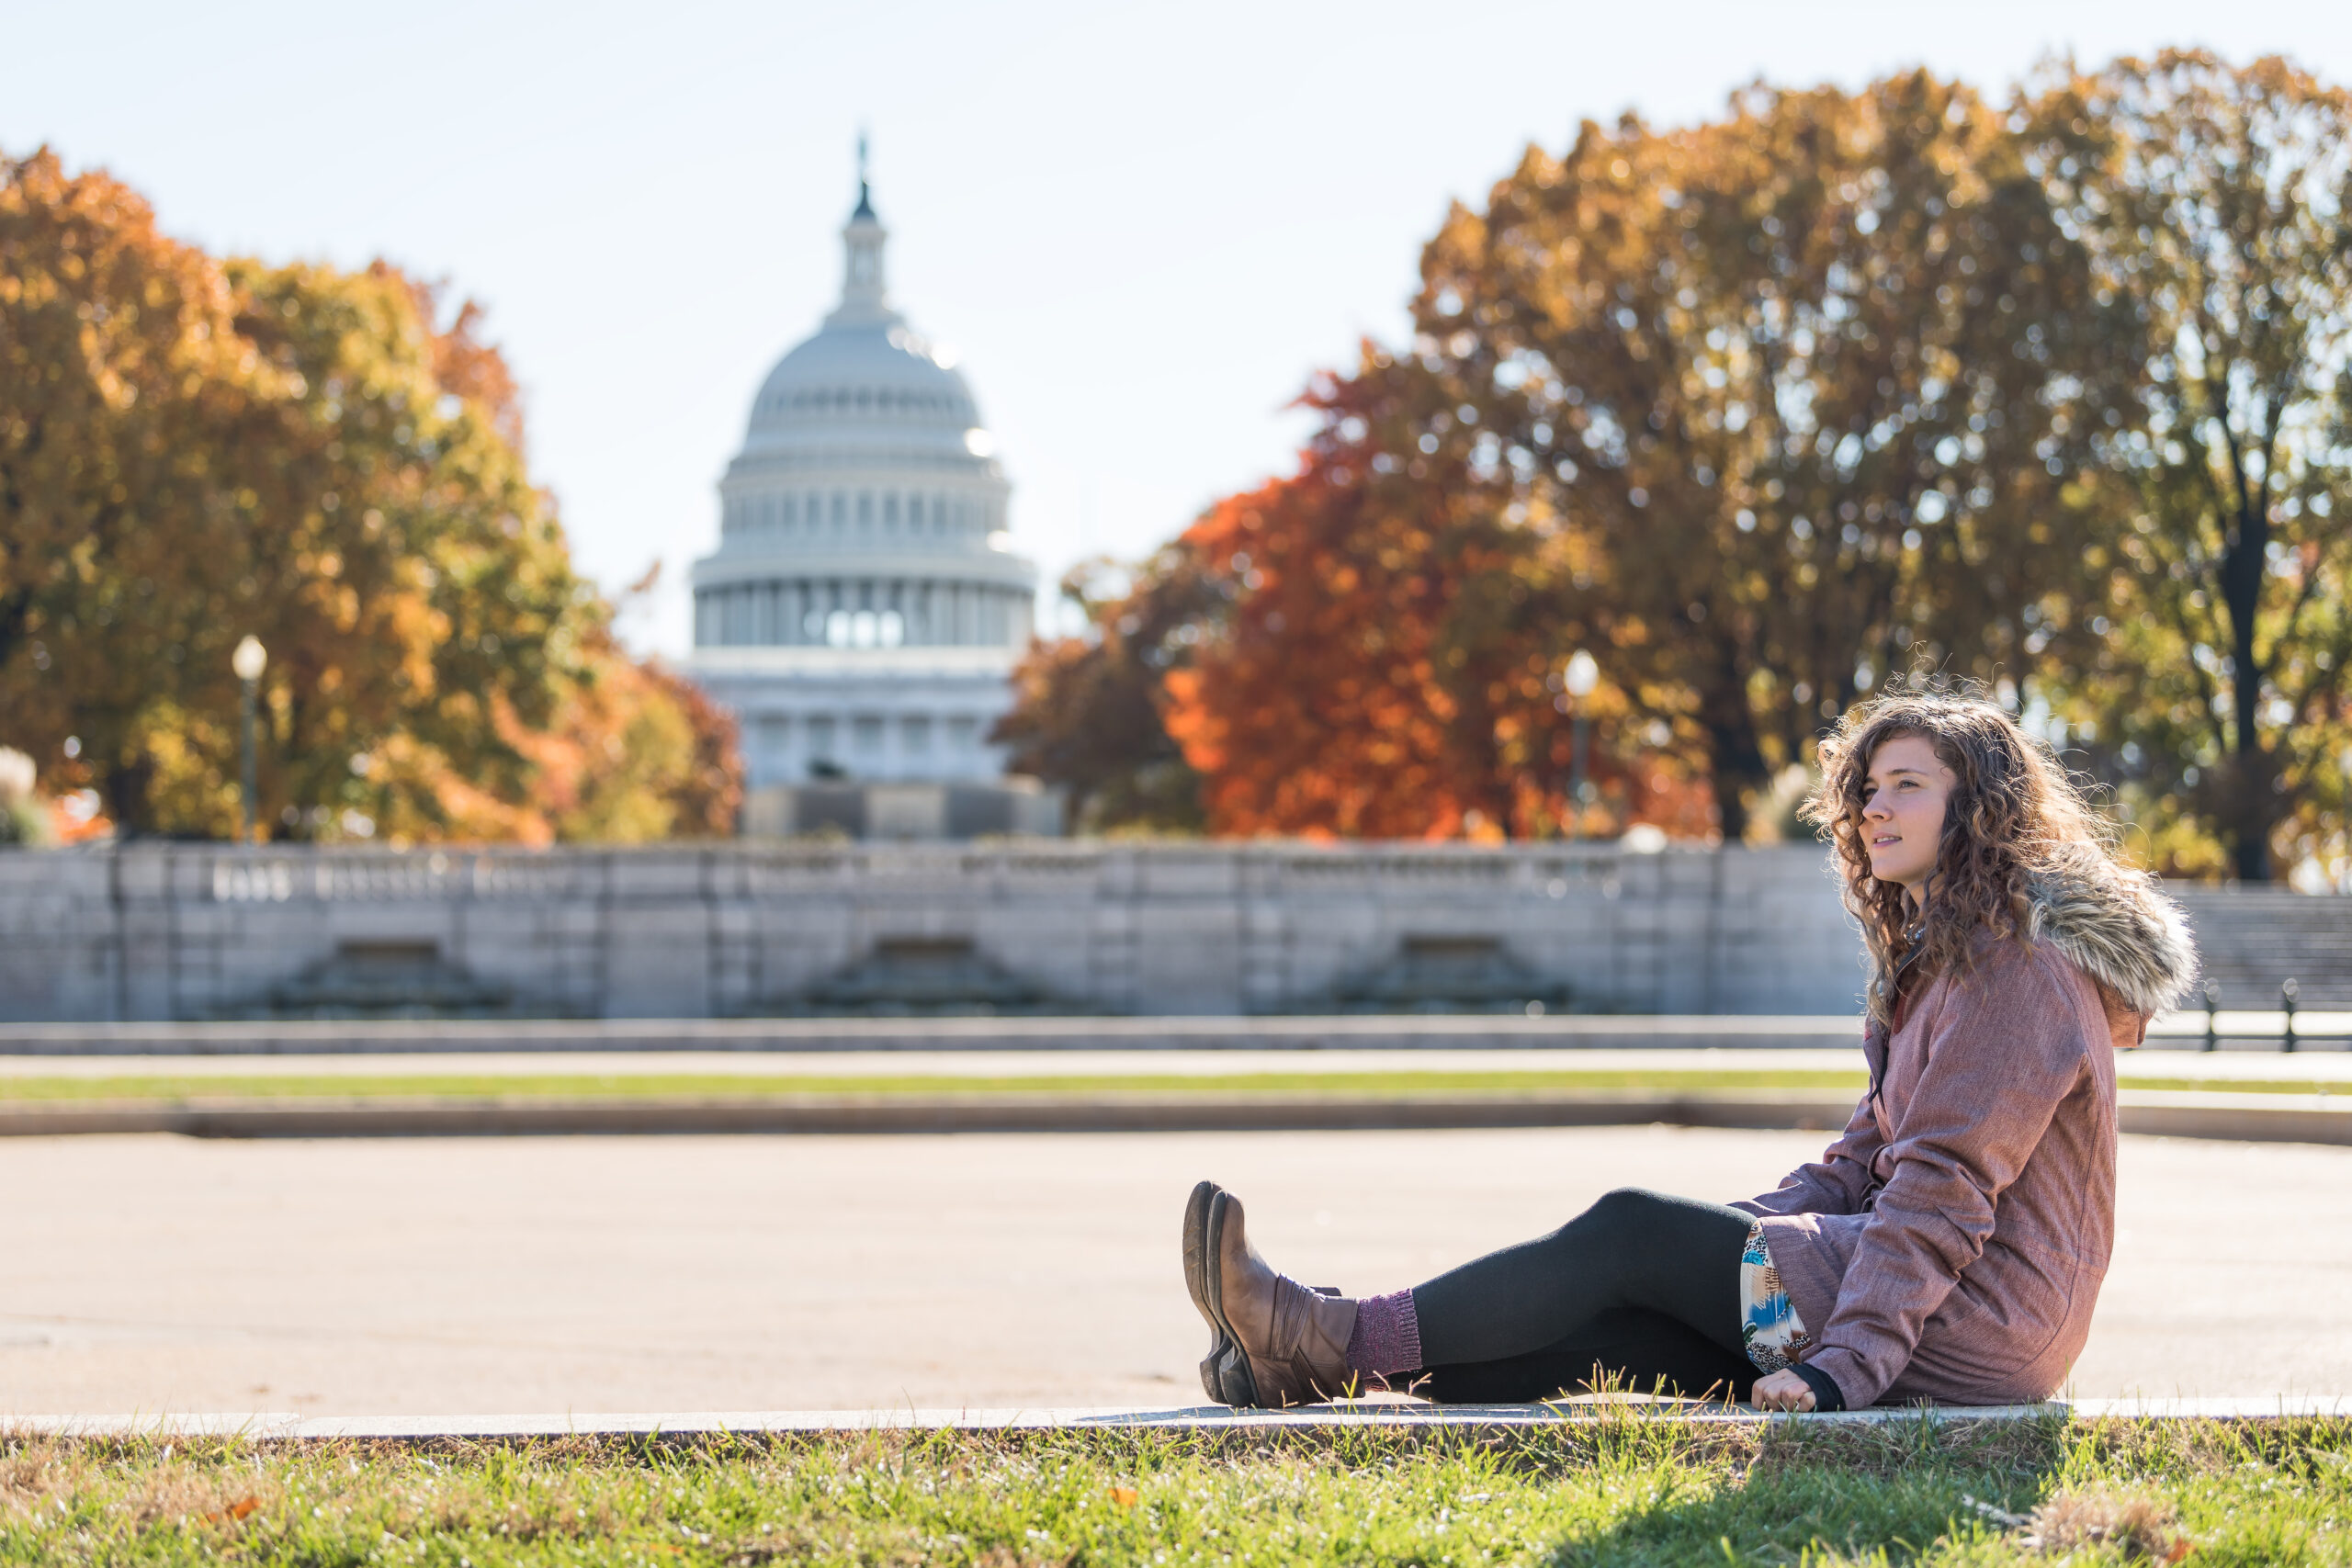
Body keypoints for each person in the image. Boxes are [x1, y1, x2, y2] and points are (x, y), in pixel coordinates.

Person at [1181, 687, 2198, 1412]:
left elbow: (1939, 1189)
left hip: (1979, 1319)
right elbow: (1859, 1165)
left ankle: (1332, 1335)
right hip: (1934, 1299)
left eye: (1906, 786)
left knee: (1628, 1234)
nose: (1872, 808)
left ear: (1974, 811)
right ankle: (1308, 1368)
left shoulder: (2016, 973)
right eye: (1866, 788)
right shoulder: (1943, 961)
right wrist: (1729, 1234)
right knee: (1628, 1335)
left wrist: (1848, 1366)